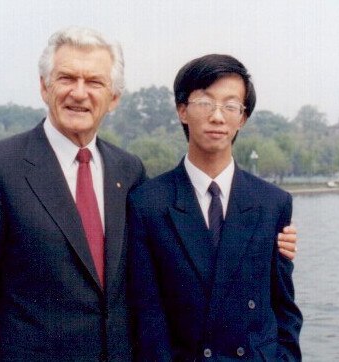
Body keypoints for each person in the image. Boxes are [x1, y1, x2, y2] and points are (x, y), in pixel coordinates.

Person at [0, 27, 298, 361]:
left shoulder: (128, 172)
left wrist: (266, 240)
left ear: (113, 98)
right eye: (67, 78)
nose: (79, 92)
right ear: (44, 87)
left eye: (95, 82)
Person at [127, 54, 302, 361]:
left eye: (231, 105)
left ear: (242, 118)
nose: (218, 116)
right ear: (183, 110)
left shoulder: (272, 203)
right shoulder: (148, 204)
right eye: (205, 103)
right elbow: (148, 317)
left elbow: (284, 309)